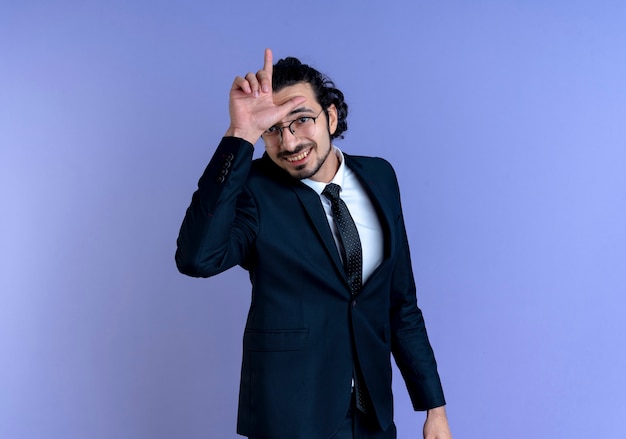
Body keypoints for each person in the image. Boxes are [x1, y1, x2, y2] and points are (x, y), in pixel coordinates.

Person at [175, 49, 452, 439]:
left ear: (331, 116)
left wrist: (433, 408)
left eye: (302, 120)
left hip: (372, 416)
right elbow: (197, 259)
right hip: (292, 417)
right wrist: (240, 134)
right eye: (273, 128)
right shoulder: (255, 189)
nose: (289, 142)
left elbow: (401, 304)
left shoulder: (380, 176)